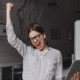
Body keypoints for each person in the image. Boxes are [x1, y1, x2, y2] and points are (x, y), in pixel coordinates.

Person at [6, 3, 63, 80]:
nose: (35, 41)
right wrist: (8, 10)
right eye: (32, 38)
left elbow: (59, 77)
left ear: (44, 35)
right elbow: (11, 39)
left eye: (37, 36)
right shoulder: (27, 51)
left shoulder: (56, 54)